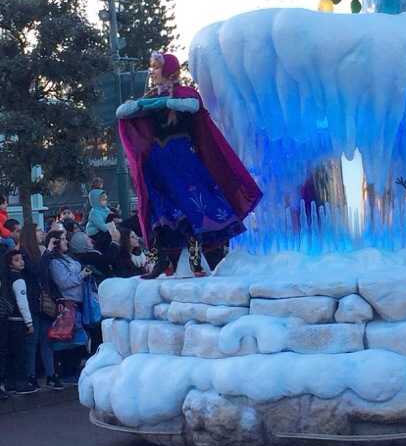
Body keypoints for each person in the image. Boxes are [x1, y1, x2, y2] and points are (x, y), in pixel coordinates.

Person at [117, 51, 263, 277]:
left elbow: (193, 106)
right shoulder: (147, 98)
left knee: (189, 207)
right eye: (152, 67)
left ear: (168, 71)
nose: (152, 72)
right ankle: (159, 260)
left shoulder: (184, 95)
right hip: (156, 162)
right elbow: (123, 112)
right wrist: (142, 105)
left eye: (156, 67)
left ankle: (195, 259)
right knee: (157, 208)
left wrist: (162, 102)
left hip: (181, 160)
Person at [19, 223, 63, 390]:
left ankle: (51, 375)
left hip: (45, 301)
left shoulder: (41, 251)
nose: (41, 233)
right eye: (38, 230)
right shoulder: (23, 252)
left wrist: (57, 297)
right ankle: (31, 376)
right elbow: (37, 270)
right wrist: (49, 251)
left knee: (46, 340)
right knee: (32, 340)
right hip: (32, 301)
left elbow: (47, 277)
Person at [46, 230, 92, 383]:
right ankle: (67, 371)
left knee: (79, 337)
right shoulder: (55, 262)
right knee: (69, 338)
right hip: (68, 303)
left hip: (78, 301)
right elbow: (63, 282)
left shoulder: (68, 257)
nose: (66, 241)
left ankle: (74, 368)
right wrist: (81, 276)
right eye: (63, 239)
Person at [4, 249, 38, 394]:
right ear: (10, 263)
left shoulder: (7, 277)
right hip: (19, 320)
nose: (21, 262)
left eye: (21, 259)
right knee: (20, 353)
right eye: (17, 260)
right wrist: (29, 322)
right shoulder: (19, 279)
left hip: (9, 320)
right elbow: (22, 302)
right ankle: (21, 383)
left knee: (12, 352)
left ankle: (10, 382)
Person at [85, 189, 115, 253]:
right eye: (103, 200)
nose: (106, 201)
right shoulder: (94, 212)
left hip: (101, 229)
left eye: (106, 199)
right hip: (94, 232)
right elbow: (100, 224)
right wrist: (110, 231)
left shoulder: (105, 209)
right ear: (96, 201)